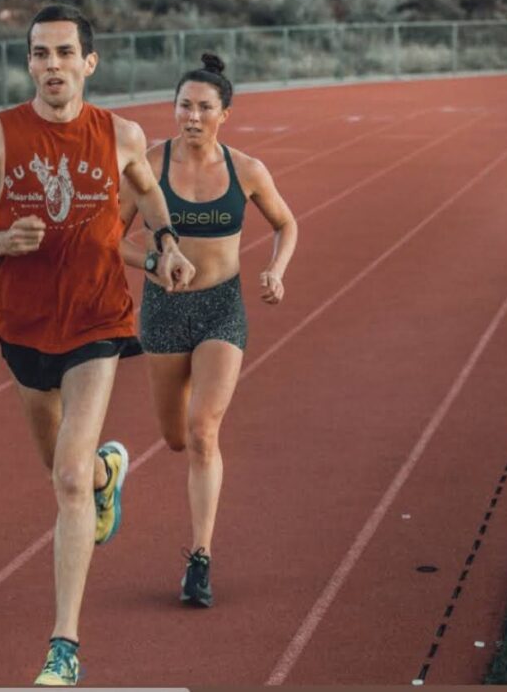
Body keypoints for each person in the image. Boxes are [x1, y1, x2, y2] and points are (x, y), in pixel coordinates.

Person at [0, 3, 194, 686]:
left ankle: (65, 644)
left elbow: (148, 192)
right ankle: (106, 475)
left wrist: (168, 246)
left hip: (97, 322)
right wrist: (2, 241)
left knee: (63, 480)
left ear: (90, 62)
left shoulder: (120, 133)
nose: (51, 65)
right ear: (29, 62)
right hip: (25, 329)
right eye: (40, 53)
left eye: (64, 53)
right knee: (66, 468)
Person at [120, 53, 298, 608]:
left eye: (203, 108)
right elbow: (111, 238)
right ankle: (119, 469)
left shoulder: (247, 170)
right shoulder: (148, 164)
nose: (191, 117)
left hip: (224, 308)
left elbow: (286, 224)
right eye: (183, 106)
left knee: (203, 431)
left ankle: (200, 558)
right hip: (164, 312)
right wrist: (152, 264)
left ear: (224, 113)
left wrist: (275, 269)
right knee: (174, 438)